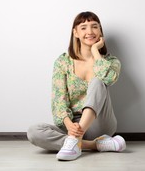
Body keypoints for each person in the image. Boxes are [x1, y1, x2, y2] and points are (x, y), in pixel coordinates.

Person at [27, 11, 126, 161]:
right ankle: (95, 145)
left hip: (100, 123)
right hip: (72, 124)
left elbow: (109, 79)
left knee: (98, 81)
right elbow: (58, 100)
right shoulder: (62, 62)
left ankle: (73, 141)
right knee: (34, 132)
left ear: (100, 31)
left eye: (94, 27)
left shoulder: (111, 61)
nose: (90, 32)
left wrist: (95, 51)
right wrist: (69, 124)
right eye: (84, 27)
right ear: (76, 32)